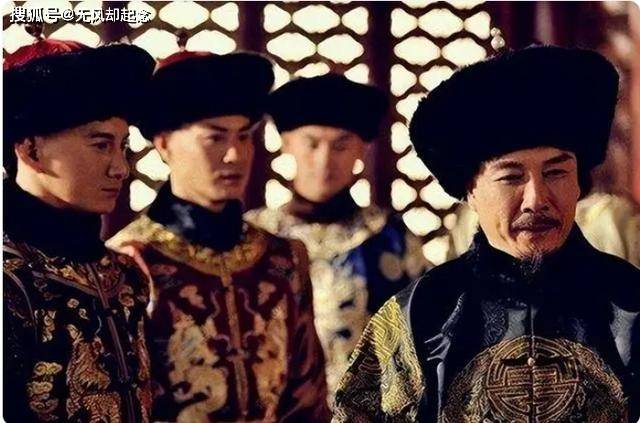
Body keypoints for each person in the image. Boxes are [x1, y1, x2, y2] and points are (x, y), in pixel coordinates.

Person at [333, 45, 640, 422]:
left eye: (556, 172)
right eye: (511, 177)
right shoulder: (422, 314)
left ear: (579, 183)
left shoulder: (629, 302)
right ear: (470, 192)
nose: (536, 199)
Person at [108, 50, 329, 422]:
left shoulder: (284, 257)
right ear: (163, 143)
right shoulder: (130, 262)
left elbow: (308, 397)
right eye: (215, 138)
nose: (234, 156)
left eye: (244, 137)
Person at [246, 73, 431, 398]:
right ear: (286, 143)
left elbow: (426, 339)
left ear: (362, 149)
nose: (325, 160)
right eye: (311, 143)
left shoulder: (390, 238)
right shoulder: (253, 235)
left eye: (341, 145)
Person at [3, 39, 155, 422]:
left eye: (123, 147)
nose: (121, 168)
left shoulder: (126, 274)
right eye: (101, 145)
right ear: (30, 150)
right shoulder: (9, 278)